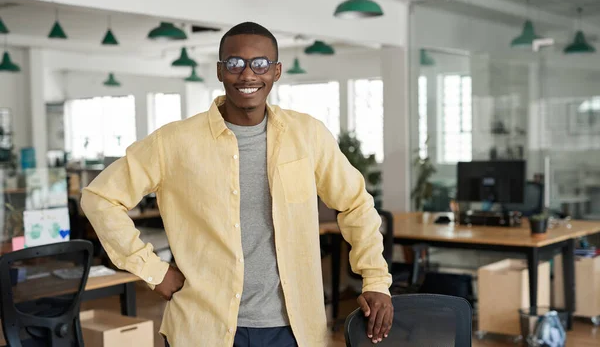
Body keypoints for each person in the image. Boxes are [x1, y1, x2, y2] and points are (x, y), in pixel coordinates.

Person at [80, 21, 393, 347]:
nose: (247, 75)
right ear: (219, 70)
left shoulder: (307, 135)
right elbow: (99, 197)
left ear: (276, 71)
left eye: (260, 64)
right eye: (235, 63)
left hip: (294, 329)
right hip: (203, 329)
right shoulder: (174, 142)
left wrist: (375, 280)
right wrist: (153, 270)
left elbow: (355, 203)